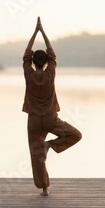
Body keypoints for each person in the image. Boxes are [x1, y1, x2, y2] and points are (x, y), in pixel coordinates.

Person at [22, 17, 82, 196]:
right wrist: (43, 31)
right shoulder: (50, 73)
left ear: (33, 63)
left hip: (33, 120)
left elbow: (26, 54)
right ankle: (50, 145)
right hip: (50, 118)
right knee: (75, 135)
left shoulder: (29, 74)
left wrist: (35, 32)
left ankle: (45, 188)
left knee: (36, 156)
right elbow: (52, 53)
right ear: (47, 62)